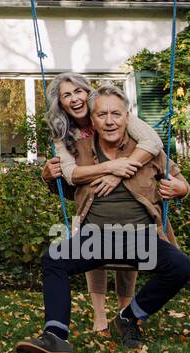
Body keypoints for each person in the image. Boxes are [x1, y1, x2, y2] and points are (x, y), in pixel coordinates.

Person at [17, 85, 190, 353]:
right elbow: (63, 187)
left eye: (116, 114)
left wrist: (180, 190)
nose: (109, 121)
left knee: (181, 266)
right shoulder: (79, 151)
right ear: (93, 119)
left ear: (127, 117)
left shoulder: (147, 151)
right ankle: (55, 335)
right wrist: (47, 177)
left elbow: (181, 182)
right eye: (102, 115)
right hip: (96, 239)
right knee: (54, 258)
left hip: (141, 238)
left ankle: (128, 317)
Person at [39, 72, 165, 333]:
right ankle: (99, 316)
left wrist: (117, 173)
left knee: (129, 247)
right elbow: (71, 175)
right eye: (67, 95)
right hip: (90, 201)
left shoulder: (111, 112)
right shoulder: (64, 133)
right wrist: (112, 168)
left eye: (78, 92)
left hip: (127, 199)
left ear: (89, 93)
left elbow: (153, 143)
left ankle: (125, 312)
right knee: (91, 248)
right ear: (60, 103)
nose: (74, 99)